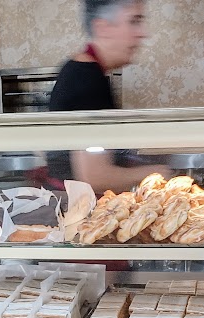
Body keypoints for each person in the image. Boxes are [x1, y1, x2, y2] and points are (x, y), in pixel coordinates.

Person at [46, 0, 172, 192]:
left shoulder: (83, 71)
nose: (142, 33)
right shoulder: (87, 80)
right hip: (79, 210)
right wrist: (159, 173)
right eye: (134, 21)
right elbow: (95, 177)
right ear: (103, 28)